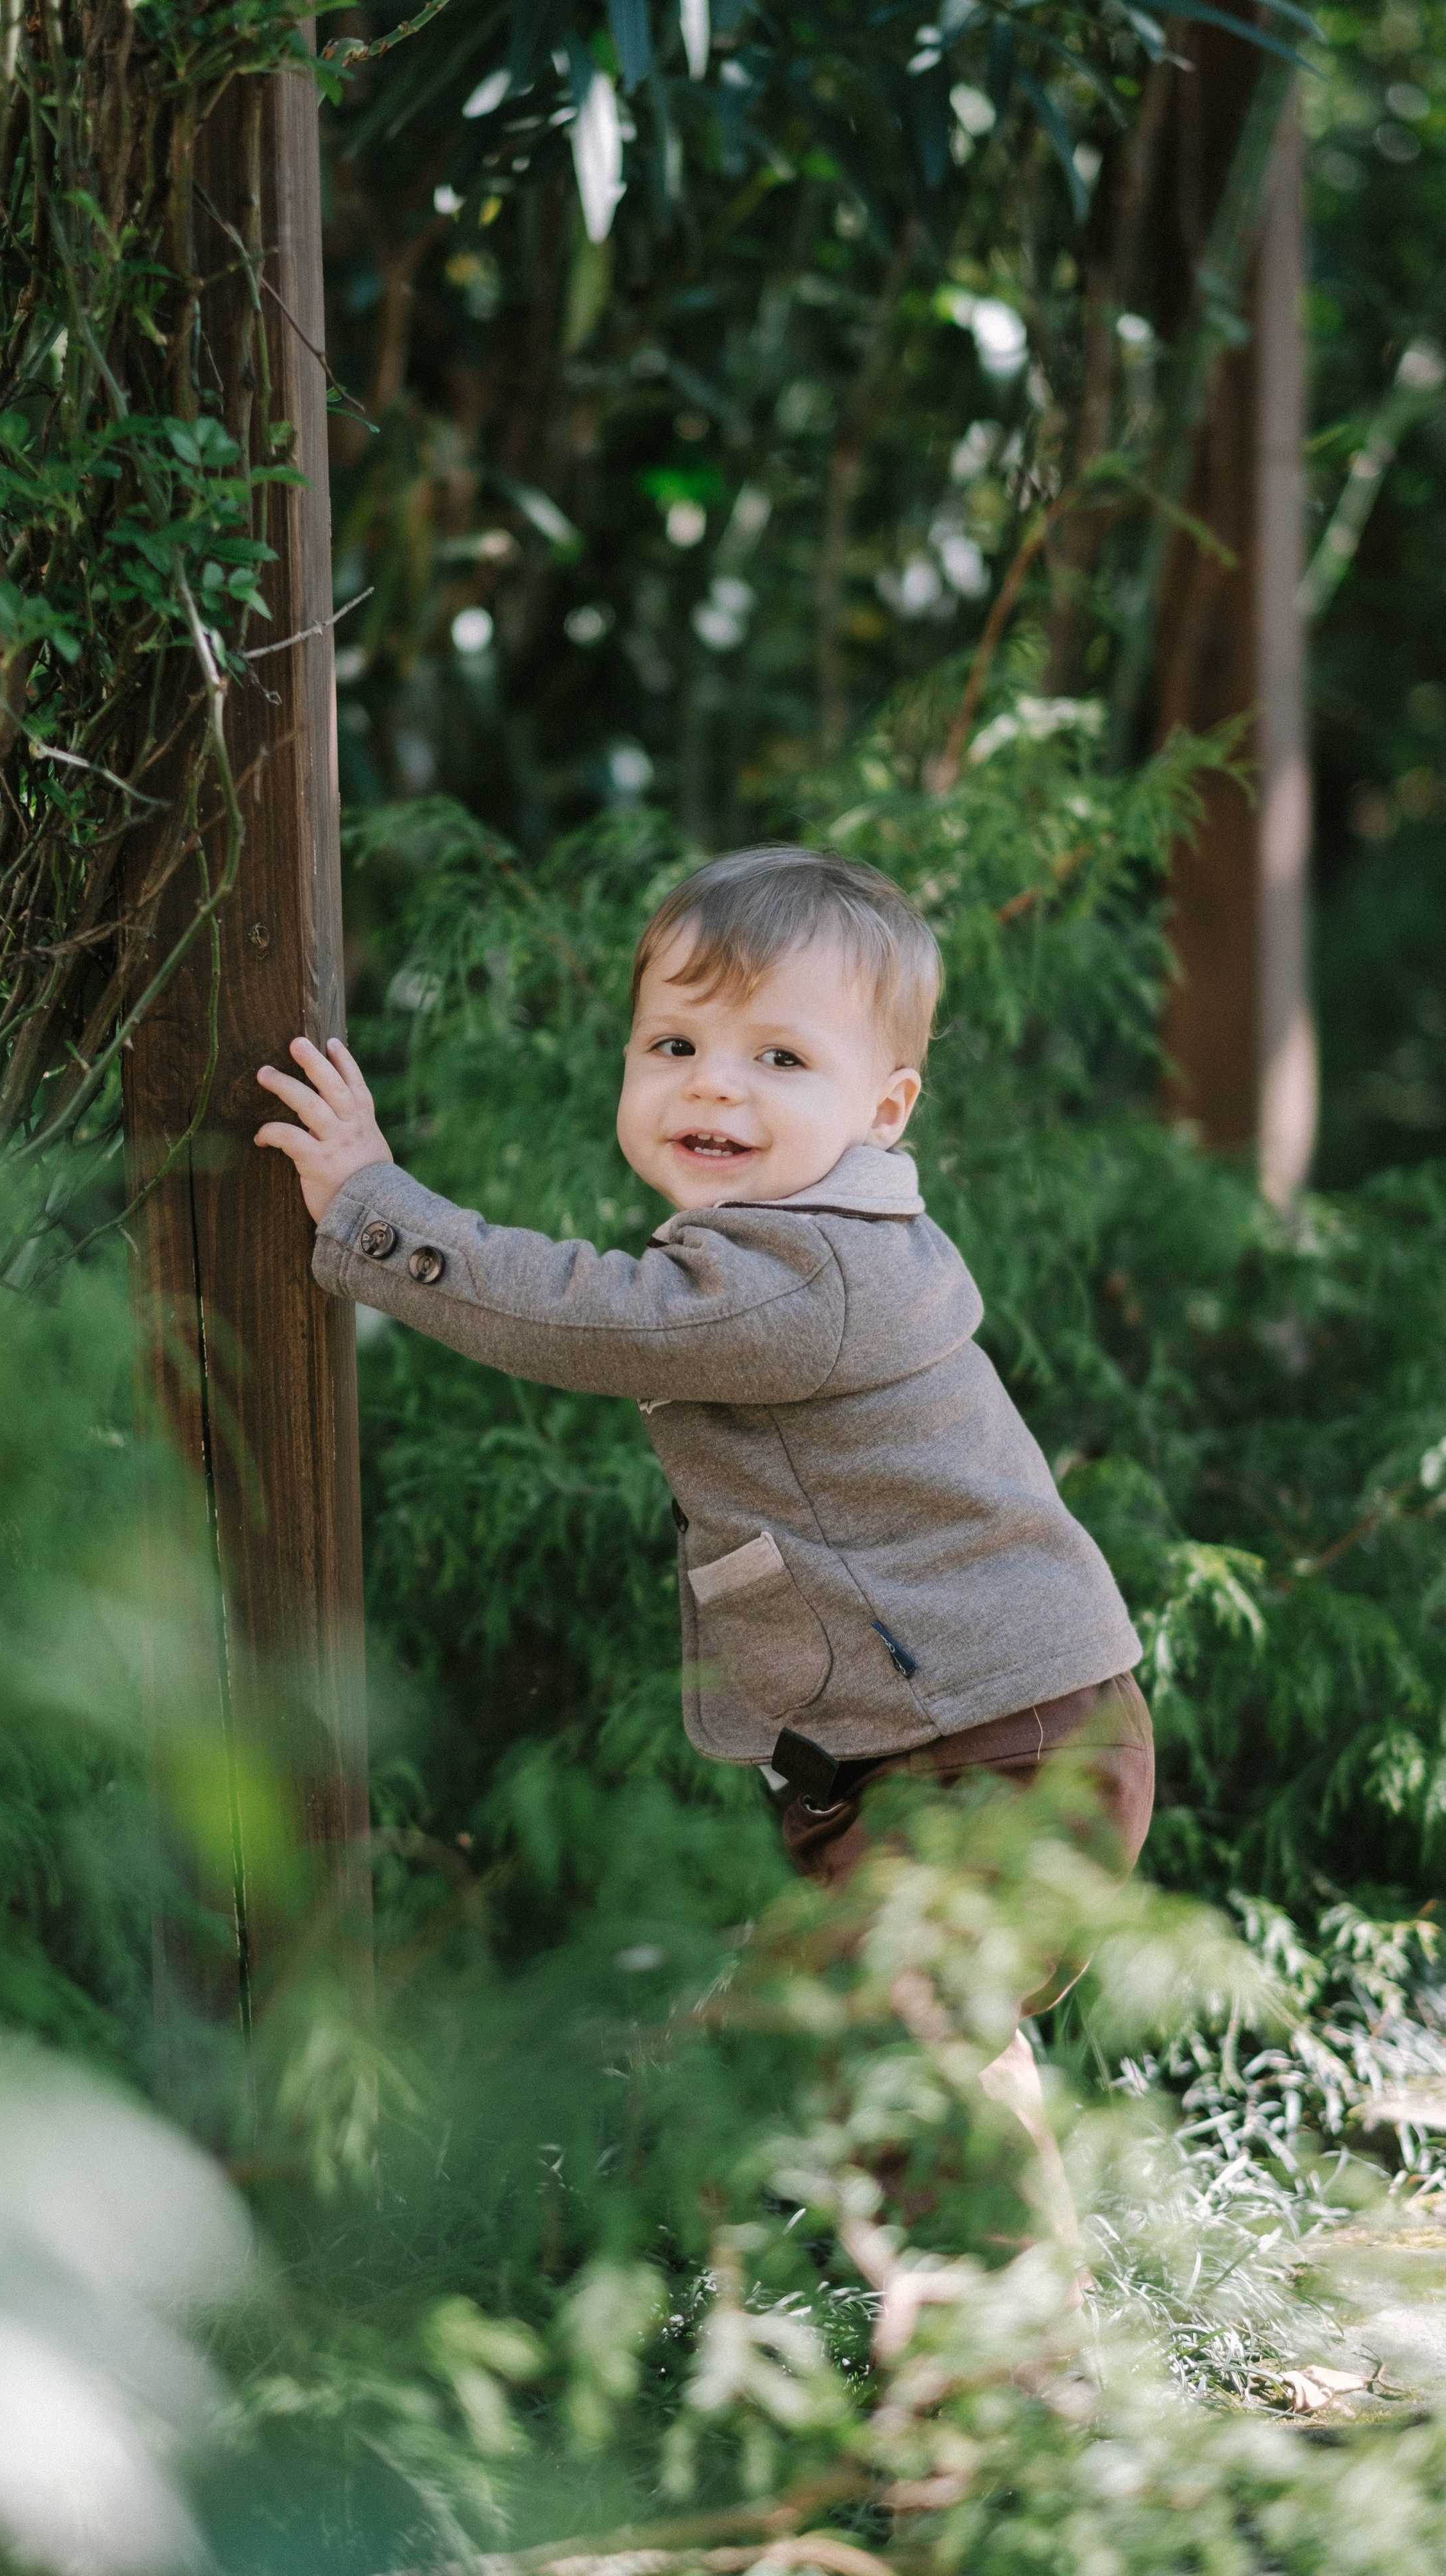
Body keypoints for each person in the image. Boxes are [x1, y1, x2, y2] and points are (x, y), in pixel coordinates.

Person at [255, 843, 1154, 2240]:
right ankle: (987, 2354)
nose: (713, 1085)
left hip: (993, 1753)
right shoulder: (799, 1245)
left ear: (883, 1109)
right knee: (905, 2044)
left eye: (779, 1058)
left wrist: (375, 1207)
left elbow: (586, 1315)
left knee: (884, 2048)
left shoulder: (813, 1269)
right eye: (672, 1042)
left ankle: (1004, 2390)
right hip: (960, 1743)